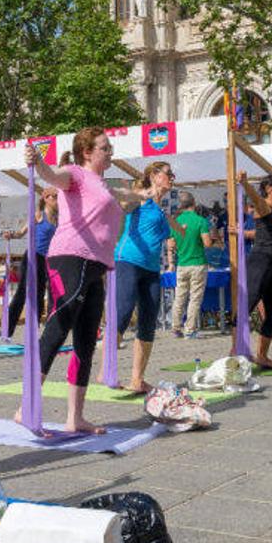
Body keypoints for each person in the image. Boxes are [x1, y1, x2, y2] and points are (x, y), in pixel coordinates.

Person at [14, 129, 146, 435]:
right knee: (58, 328)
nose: (110, 151)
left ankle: (76, 417)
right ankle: (25, 407)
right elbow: (53, 176)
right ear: (87, 152)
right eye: (105, 147)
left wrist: (142, 194)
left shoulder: (102, 185)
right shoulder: (74, 173)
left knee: (86, 339)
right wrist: (39, 163)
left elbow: (125, 198)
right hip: (70, 258)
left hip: (96, 265)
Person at [110, 162, 185, 393]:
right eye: (168, 173)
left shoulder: (160, 210)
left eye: (173, 173)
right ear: (154, 175)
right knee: (122, 314)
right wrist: (142, 194)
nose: (172, 177)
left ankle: (137, 379)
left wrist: (174, 231)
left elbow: (168, 235)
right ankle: (107, 370)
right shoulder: (141, 198)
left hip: (152, 269)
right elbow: (121, 203)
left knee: (148, 321)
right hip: (129, 261)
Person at [236, 171, 272, 368]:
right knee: (248, 306)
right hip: (260, 262)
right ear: (269, 189)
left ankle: (262, 355)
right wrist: (244, 182)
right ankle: (234, 352)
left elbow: (271, 234)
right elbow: (255, 197)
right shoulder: (263, 206)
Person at [3, 186, 59, 338]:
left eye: (57, 196)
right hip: (33, 256)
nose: (56, 199)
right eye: (53, 196)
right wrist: (11, 234)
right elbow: (21, 232)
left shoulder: (59, 218)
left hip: (48, 259)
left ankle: (35, 331)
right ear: (45, 199)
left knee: (41, 294)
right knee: (23, 292)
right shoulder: (39, 215)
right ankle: (6, 330)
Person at [168, 191, 214, 339]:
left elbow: (171, 245)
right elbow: (207, 243)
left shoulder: (176, 222)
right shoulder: (200, 221)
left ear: (181, 205)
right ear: (194, 203)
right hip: (198, 263)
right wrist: (213, 240)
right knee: (195, 298)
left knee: (179, 297)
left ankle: (175, 328)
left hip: (182, 264)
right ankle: (190, 330)